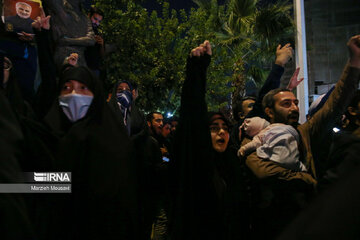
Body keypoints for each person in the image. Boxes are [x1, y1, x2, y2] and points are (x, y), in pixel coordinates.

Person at [241, 34, 360, 238]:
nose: (294, 107)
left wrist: (354, 63)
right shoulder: (254, 138)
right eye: (286, 104)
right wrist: (307, 180)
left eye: (295, 103)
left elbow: (335, 104)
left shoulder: (304, 132)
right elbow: (264, 171)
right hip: (269, 225)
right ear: (269, 112)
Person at [42, 66, 139, 240]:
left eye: (83, 88)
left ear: (96, 95)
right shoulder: (45, 135)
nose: (74, 94)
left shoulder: (112, 141)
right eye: (66, 88)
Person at [171, 41, 251, 239]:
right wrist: (196, 70)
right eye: (214, 128)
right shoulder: (196, 164)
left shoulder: (232, 166)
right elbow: (193, 111)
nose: (221, 132)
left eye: (224, 128)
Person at [238, 117, 307, 172]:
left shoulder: (260, 135)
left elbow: (254, 144)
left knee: (284, 159)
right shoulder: (278, 125)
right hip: (289, 135)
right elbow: (291, 131)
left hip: (279, 141)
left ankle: (298, 166)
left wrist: (243, 149)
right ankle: (300, 167)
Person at [84, 6, 105, 77]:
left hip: (95, 69)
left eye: (99, 21)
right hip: (82, 66)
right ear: (89, 15)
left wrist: (101, 44)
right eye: (95, 19)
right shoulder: (81, 27)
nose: (96, 23)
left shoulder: (98, 33)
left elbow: (102, 55)